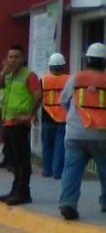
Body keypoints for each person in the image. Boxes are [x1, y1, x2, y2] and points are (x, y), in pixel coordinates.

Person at [58, 43, 106, 220]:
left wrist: (74, 117)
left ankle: (68, 203)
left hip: (75, 133)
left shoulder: (76, 78)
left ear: (87, 60)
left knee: (71, 169)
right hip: (101, 134)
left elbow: (63, 101)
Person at [0, 44, 42, 206]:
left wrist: (30, 114)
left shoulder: (29, 75)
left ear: (23, 58)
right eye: (10, 57)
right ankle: (15, 190)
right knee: (12, 160)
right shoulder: (8, 75)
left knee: (22, 159)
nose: (13, 60)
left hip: (19, 124)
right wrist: (3, 72)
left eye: (16, 57)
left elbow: (38, 94)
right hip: (8, 122)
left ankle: (23, 192)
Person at [41, 52, 69, 179]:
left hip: (47, 116)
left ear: (50, 67)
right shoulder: (69, 79)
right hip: (63, 117)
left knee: (47, 144)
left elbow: (37, 97)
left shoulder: (44, 80)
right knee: (60, 145)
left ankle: (47, 170)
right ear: (63, 66)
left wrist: (32, 114)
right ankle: (58, 172)